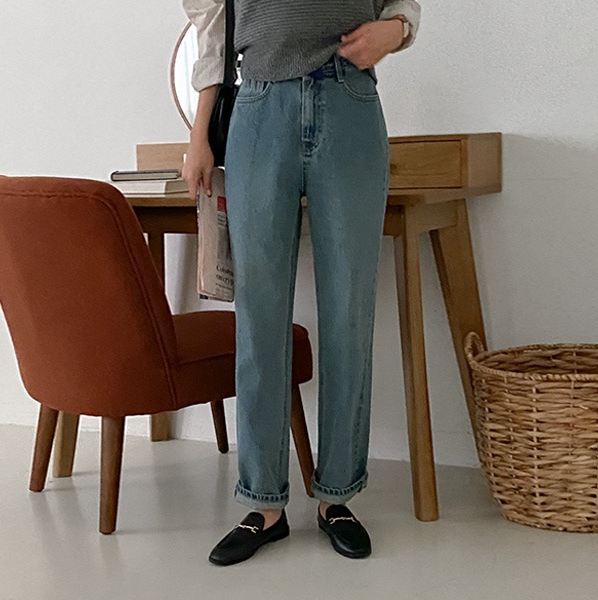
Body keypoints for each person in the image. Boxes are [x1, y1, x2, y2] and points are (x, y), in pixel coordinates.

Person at [181, 0, 421, 566]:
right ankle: (263, 504)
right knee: (259, 316)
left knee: (349, 311)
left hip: (349, 99)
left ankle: (337, 497)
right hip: (259, 103)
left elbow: (403, 4)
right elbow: (212, 24)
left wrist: (396, 31)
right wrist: (200, 132)